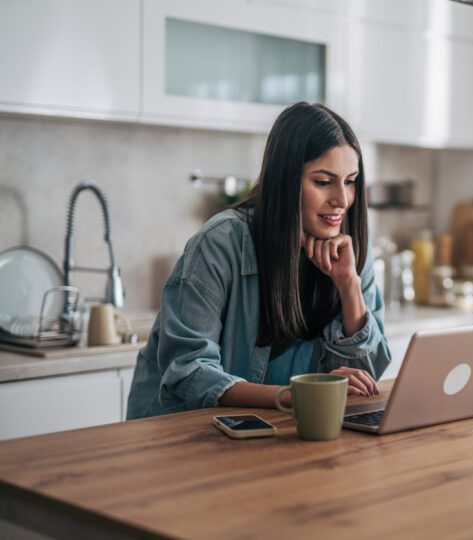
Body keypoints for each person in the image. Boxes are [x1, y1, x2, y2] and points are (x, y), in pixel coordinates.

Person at [126, 102, 391, 419]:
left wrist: (349, 286)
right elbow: (189, 370)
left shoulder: (352, 248)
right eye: (323, 181)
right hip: (180, 436)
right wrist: (297, 396)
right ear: (285, 181)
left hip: (273, 430)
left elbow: (367, 376)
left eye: (350, 181)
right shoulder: (220, 243)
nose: (342, 200)